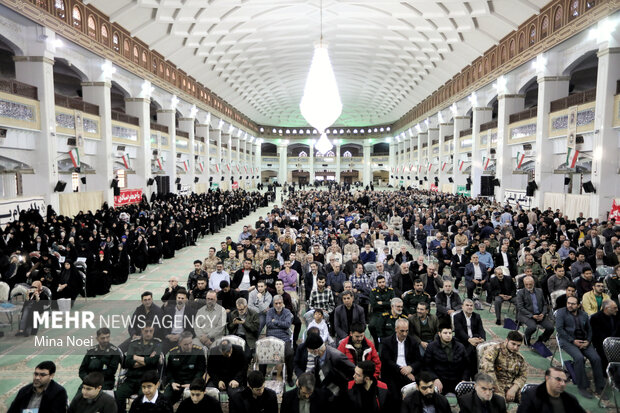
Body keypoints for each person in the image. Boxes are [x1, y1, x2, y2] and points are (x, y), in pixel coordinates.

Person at [555, 295, 605, 398]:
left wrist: (588, 341)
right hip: (568, 340)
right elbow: (560, 330)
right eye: (568, 303)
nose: (570, 305)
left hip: (584, 341)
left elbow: (589, 330)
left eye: (573, 304)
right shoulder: (561, 313)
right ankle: (582, 387)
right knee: (579, 358)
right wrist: (573, 341)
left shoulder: (584, 315)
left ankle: (600, 388)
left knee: (596, 358)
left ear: (578, 305)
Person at [115, 324, 163, 413]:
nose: (148, 334)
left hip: (147, 380)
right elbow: (127, 362)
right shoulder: (133, 344)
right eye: (146, 331)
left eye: (151, 331)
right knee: (118, 395)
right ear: (141, 331)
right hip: (131, 379)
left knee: (144, 397)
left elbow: (154, 361)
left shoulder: (157, 344)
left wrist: (136, 357)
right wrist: (147, 359)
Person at [305, 334, 355, 404]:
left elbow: (353, 371)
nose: (309, 353)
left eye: (309, 351)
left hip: (340, 394)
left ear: (316, 350)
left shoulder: (337, 357)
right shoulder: (318, 355)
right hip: (326, 388)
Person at [479, 331, 527, 403]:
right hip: (494, 384)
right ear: (506, 340)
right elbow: (487, 370)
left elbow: (523, 375)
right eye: (513, 344)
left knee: (529, 398)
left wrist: (514, 389)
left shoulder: (519, 357)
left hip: (511, 385)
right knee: (500, 401)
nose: (515, 348)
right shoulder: (494, 350)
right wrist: (498, 389)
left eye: (518, 345)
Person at [517, 367, 586, 413]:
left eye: (565, 381)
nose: (562, 384)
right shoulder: (531, 396)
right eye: (558, 379)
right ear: (547, 378)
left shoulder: (570, 399)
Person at [423, 325, 469, 394]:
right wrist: (435, 378)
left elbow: (467, 366)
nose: (448, 335)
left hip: (457, 381)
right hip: (439, 380)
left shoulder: (460, 346)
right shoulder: (431, 347)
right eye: (445, 333)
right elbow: (427, 366)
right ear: (439, 334)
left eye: (450, 333)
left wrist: (464, 380)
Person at [163, 331, 206, 404]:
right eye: (186, 344)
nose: (189, 346)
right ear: (179, 344)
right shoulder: (173, 353)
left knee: (194, 401)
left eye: (190, 343)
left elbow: (201, 371)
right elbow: (169, 371)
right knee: (165, 399)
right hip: (177, 383)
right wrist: (172, 382)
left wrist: (192, 384)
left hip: (193, 382)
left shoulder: (199, 351)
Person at [380, 318, 419, 395]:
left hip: (409, 372)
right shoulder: (387, 342)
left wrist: (410, 368)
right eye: (402, 331)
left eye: (406, 331)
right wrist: (404, 371)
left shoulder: (413, 342)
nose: (404, 334)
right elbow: (387, 361)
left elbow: (419, 360)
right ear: (396, 329)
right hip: (392, 372)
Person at [265, 294, 295, 387]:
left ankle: (289, 377)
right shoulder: (270, 312)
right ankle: (261, 377)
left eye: (280, 303)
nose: (278, 305)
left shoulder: (287, 312)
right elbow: (268, 324)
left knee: (290, 354)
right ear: (273, 304)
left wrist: (275, 321)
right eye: (276, 303)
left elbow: (287, 325)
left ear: (283, 303)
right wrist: (278, 323)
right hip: (271, 338)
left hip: (284, 339)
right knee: (261, 353)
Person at [516, 276, 554, 345]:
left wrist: (543, 314)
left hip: (540, 315)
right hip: (526, 315)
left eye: (530, 284)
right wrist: (532, 316)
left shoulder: (540, 291)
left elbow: (545, 304)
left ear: (533, 283)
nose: (528, 286)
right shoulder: (520, 293)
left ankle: (541, 339)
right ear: (524, 284)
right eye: (526, 284)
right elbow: (521, 308)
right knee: (532, 327)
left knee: (551, 328)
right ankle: (526, 338)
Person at [453, 299, 486, 376]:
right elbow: (459, 331)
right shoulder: (457, 316)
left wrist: (482, 339)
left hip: (475, 340)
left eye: (471, 305)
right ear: (462, 307)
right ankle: (472, 372)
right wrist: (469, 340)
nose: (469, 307)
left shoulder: (477, 316)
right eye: (467, 305)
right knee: (471, 351)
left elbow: (481, 329)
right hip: (462, 341)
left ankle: (469, 371)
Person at [161, 288, 196, 353]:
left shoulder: (191, 312)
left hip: (183, 337)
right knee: (162, 348)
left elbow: (191, 329)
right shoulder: (168, 310)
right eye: (179, 298)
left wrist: (180, 336)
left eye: (182, 298)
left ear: (186, 300)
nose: (180, 300)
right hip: (169, 337)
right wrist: (168, 336)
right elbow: (163, 325)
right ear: (176, 298)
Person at [590, 299, 619, 369]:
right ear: (607, 309)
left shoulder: (616, 316)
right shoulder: (595, 318)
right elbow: (597, 337)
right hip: (603, 346)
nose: (617, 310)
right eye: (614, 308)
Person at [368, 275, 395, 345]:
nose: (382, 284)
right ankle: (376, 340)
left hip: (388, 312)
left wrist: (381, 303)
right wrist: (387, 303)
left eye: (383, 282)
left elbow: (393, 303)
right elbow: (374, 305)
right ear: (377, 283)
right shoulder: (373, 292)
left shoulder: (390, 291)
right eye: (380, 282)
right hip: (377, 313)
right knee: (371, 326)